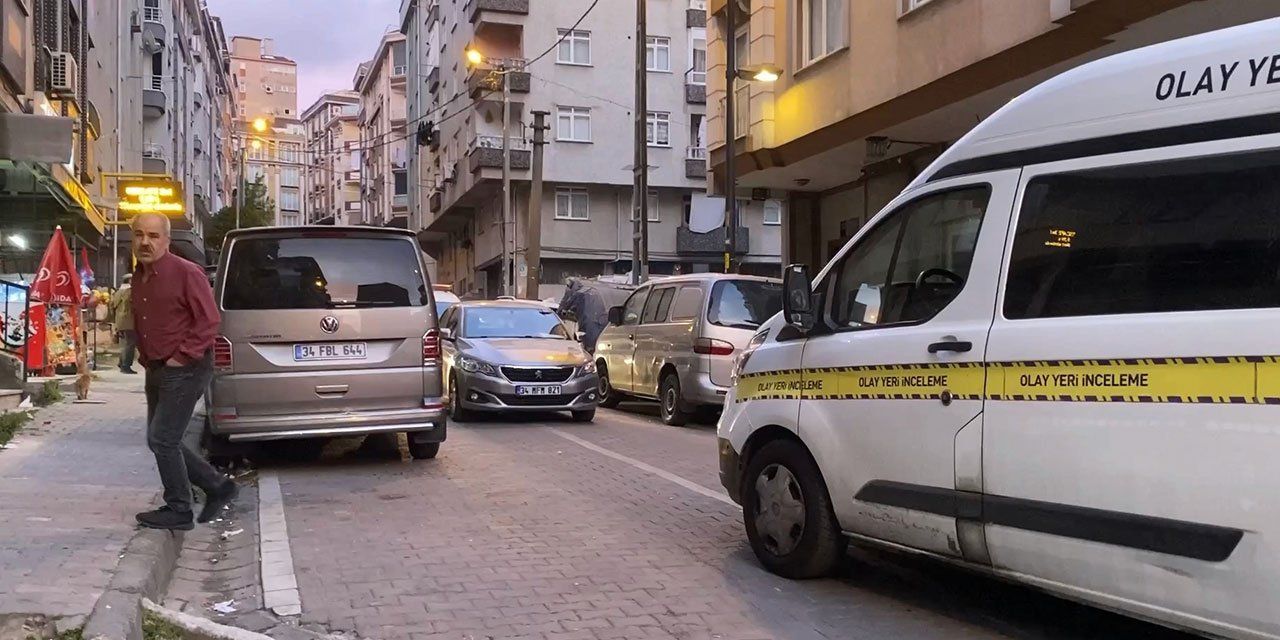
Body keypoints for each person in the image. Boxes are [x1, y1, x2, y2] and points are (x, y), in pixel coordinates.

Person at [130, 213, 237, 531]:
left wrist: (182, 356)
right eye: (139, 235)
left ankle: (179, 509)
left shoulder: (187, 272)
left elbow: (209, 320)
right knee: (159, 439)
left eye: (153, 236)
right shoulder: (139, 275)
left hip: (186, 367)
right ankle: (217, 486)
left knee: (163, 439)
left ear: (166, 240)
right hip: (156, 367)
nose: (145, 242)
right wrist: (145, 355)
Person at [108, 274, 137, 374]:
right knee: (130, 343)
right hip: (129, 321)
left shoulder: (118, 292)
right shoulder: (130, 292)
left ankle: (121, 362)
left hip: (119, 321)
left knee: (124, 343)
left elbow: (111, 306)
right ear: (129, 281)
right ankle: (125, 365)